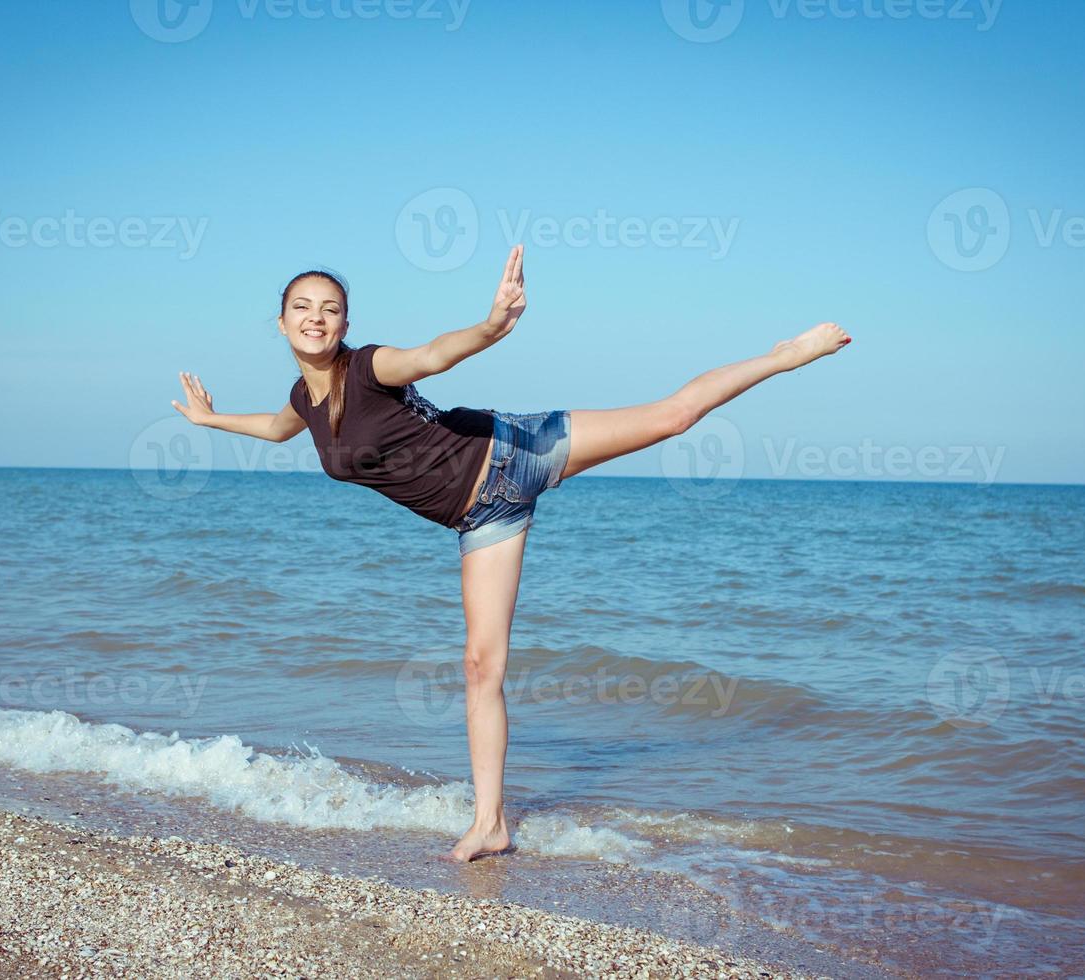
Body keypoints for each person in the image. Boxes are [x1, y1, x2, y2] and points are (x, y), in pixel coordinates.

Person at [171, 244, 851, 862]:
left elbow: (433, 355)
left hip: (510, 452)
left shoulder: (370, 365)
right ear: (282, 321)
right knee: (478, 666)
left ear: (345, 323)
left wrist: (491, 326)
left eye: (330, 309)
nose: (316, 319)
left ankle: (786, 354)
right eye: (303, 309)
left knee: (671, 417)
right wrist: (209, 420)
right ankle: (491, 823)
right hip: (482, 520)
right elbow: (276, 429)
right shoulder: (304, 398)